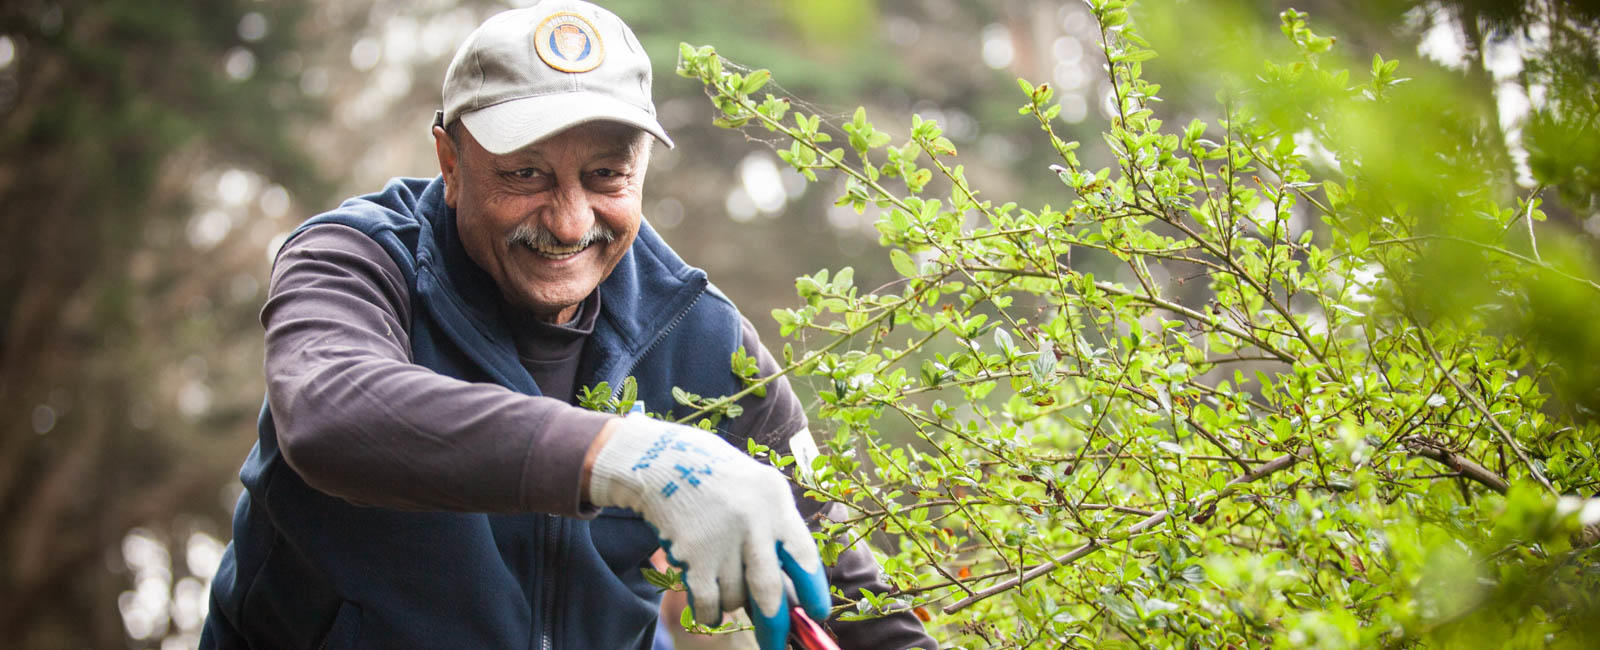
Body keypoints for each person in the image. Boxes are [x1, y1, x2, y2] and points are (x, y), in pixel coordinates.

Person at [200, 2, 936, 649]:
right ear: (450, 162)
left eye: (606, 176)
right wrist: (634, 460)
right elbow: (332, 415)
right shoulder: (357, 260)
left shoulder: (699, 336)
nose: (569, 221)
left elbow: (843, 580)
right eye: (526, 174)